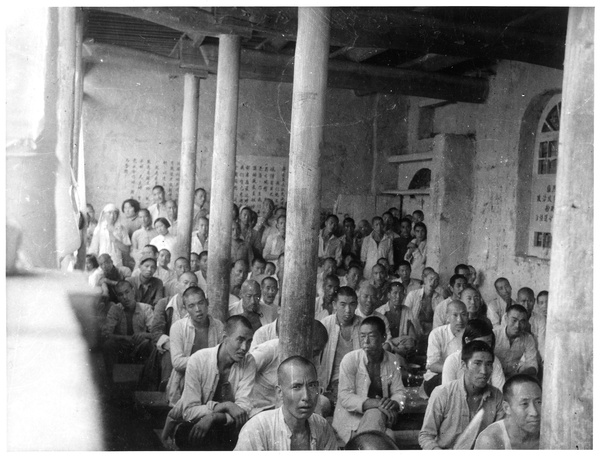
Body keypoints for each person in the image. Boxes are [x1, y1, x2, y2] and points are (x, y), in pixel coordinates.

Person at [164, 316, 256, 451]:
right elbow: (189, 412)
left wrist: (212, 417)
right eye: (240, 340)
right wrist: (225, 405)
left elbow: (242, 410)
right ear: (225, 338)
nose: (244, 348)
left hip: (225, 426)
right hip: (195, 424)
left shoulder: (248, 362)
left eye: (249, 342)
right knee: (197, 435)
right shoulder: (198, 360)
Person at [234, 355, 338, 451]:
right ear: (280, 392)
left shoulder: (322, 427)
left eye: (311, 385)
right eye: (296, 387)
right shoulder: (257, 428)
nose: (306, 397)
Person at [333, 316, 406, 446]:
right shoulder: (350, 359)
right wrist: (377, 404)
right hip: (351, 422)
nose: (365, 341)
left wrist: (393, 403)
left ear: (383, 338)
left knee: (389, 435)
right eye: (362, 336)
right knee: (386, 434)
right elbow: (345, 397)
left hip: (381, 417)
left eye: (371, 336)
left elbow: (399, 392)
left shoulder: (392, 360)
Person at [419, 340, 505, 450]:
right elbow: (425, 436)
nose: (484, 371)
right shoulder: (442, 393)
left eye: (488, 364)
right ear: (464, 365)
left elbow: (499, 437)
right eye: (477, 363)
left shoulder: (497, 396)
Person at [247, 321, 329, 417]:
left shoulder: (312, 357)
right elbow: (244, 369)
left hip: (290, 407)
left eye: (318, 352)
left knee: (324, 403)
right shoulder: (271, 349)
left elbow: (314, 389)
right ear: (302, 342)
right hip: (260, 409)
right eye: (314, 351)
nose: (315, 355)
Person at [166, 286, 224, 406]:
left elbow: (222, 358)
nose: (198, 309)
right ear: (186, 308)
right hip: (184, 382)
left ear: (207, 303)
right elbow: (177, 362)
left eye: (201, 303)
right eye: (191, 306)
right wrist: (206, 361)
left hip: (212, 380)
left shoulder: (218, 326)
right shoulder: (178, 327)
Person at [151, 271, 199, 388]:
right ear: (177, 285)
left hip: (189, 347)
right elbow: (156, 330)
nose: (189, 287)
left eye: (192, 284)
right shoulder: (164, 303)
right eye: (185, 283)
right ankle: (167, 384)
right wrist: (173, 346)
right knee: (170, 354)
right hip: (167, 347)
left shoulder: (197, 308)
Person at [319, 286, 363, 410]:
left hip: (358, 382)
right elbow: (316, 358)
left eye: (352, 304)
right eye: (343, 305)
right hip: (332, 383)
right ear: (334, 305)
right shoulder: (326, 324)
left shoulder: (363, 326)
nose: (348, 310)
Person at [101, 280, 154, 381]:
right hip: (122, 349)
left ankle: (147, 381)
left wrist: (144, 334)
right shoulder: (115, 309)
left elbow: (156, 333)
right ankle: (111, 380)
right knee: (108, 344)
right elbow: (105, 334)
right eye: (120, 294)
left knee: (149, 344)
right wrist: (125, 338)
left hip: (140, 347)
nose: (125, 297)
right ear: (117, 297)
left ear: (133, 291)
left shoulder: (145, 308)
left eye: (127, 292)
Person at [475, 374, 542, 450]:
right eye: (524, 404)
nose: (534, 412)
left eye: (539, 402)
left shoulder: (548, 433)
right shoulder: (490, 440)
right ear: (507, 408)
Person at [442, 319, 505, 390]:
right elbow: (448, 392)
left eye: (488, 342)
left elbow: (500, 391)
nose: (485, 347)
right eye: (480, 342)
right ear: (467, 341)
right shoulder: (452, 361)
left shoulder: (494, 361)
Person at [423, 300, 468, 397]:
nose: (460, 320)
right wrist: (454, 370)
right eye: (455, 315)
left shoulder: (470, 334)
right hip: (437, 376)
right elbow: (432, 365)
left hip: (463, 376)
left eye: (463, 314)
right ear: (447, 317)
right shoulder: (437, 334)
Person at [493, 304, 538, 379]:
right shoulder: (494, 334)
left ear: (526, 323)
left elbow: (532, 363)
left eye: (522, 322)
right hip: (494, 376)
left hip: (514, 377)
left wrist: (525, 372)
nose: (517, 325)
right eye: (514, 320)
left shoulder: (528, 338)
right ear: (506, 319)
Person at [377, 282, 417, 361]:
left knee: (410, 341)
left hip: (401, 344)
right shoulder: (381, 312)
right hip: (386, 344)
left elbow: (412, 334)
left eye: (401, 293)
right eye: (395, 293)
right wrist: (395, 348)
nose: (398, 297)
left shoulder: (407, 310)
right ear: (388, 295)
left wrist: (411, 342)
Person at [404, 269, 443, 340]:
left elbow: (441, 318)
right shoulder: (413, 295)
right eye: (430, 279)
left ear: (438, 284)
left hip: (432, 330)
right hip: (414, 329)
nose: (433, 282)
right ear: (425, 280)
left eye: (436, 280)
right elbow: (405, 315)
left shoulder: (440, 298)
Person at [89, 203, 132, 268]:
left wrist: (115, 240)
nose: (112, 216)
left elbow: (126, 249)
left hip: (117, 261)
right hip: (102, 262)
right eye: (109, 213)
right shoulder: (99, 229)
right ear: (104, 214)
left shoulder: (122, 229)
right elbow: (94, 249)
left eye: (115, 213)